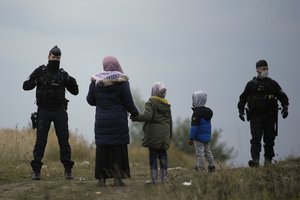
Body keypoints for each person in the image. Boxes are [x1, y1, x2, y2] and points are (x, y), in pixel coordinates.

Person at [23, 45, 79, 180]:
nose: (55, 59)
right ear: (48, 56)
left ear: (60, 59)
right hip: (43, 111)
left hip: (59, 111)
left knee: (64, 141)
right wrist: (36, 80)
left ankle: (68, 170)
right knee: (40, 141)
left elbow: (75, 91)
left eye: (58, 58)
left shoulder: (62, 74)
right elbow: (25, 86)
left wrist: (69, 80)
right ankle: (36, 171)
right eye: (53, 57)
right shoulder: (40, 71)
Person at [86, 56, 139, 186]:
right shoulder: (122, 81)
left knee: (102, 148)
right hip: (118, 121)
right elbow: (128, 102)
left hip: (102, 121)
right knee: (117, 148)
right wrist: (135, 113)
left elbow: (90, 100)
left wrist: (101, 102)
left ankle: (101, 180)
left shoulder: (96, 81)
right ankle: (117, 179)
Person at [238, 59, 289, 167]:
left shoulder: (272, 84)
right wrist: (241, 111)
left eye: (267, 68)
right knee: (256, 139)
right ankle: (255, 160)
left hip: (269, 116)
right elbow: (242, 99)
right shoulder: (251, 85)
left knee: (269, 140)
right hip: (255, 116)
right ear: (257, 70)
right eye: (263, 68)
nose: (266, 70)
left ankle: (268, 161)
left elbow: (283, 97)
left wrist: (285, 108)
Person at [131, 82, 172, 184]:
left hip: (153, 134)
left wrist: (135, 118)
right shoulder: (167, 105)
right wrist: (169, 135)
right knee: (163, 155)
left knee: (153, 155)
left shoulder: (151, 103)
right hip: (165, 134)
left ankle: (154, 179)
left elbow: (147, 116)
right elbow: (170, 122)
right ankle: (164, 178)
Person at [188, 91, 216, 173]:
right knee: (208, 152)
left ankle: (200, 168)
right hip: (207, 136)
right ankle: (212, 166)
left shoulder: (196, 113)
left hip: (199, 137)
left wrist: (191, 137)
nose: (193, 101)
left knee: (200, 153)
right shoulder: (208, 112)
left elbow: (194, 127)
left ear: (197, 100)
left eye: (193, 99)